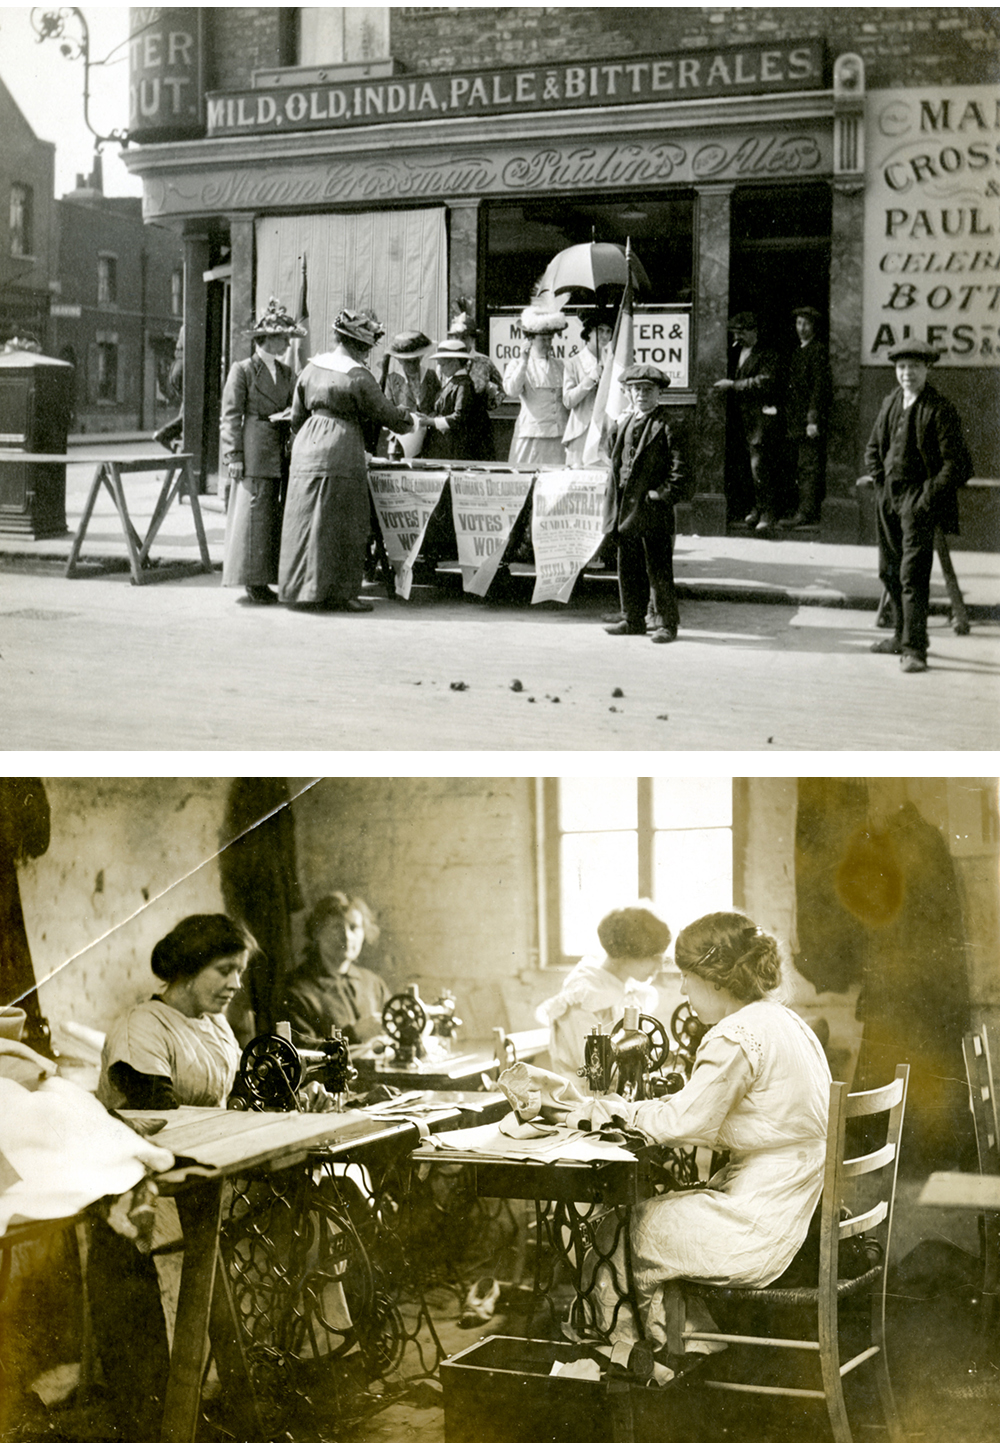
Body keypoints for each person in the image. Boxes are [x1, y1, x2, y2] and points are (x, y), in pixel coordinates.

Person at [568, 910, 831, 1351]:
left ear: (717, 979)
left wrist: (616, 1113)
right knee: (653, 1214)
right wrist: (638, 1109)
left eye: (688, 977)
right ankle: (686, 1352)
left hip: (758, 1228)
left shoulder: (735, 1035)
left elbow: (685, 1121)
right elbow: (694, 1108)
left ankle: (638, 1370)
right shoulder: (786, 1022)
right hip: (793, 1209)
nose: (684, 989)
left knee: (611, 1234)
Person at [277, 308, 414, 611]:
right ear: (359, 345)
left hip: (306, 448)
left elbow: (297, 417)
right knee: (345, 521)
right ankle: (341, 594)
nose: (367, 353)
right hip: (341, 448)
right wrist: (411, 420)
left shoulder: (311, 369)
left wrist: (306, 440)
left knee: (305, 520)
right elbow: (386, 414)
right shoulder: (358, 375)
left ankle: (300, 589)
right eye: (366, 347)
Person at [863, 338, 971, 674]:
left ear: (927, 369)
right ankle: (898, 636)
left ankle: (915, 649)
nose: (907, 373)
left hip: (917, 502)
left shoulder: (939, 409)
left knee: (912, 576)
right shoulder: (891, 400)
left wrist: (924, 500)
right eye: (901, 367)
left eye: (914, 367)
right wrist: (881, 484)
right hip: (888, 498)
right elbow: (873, 448)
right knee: (889, 570)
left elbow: (959, 466)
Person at [97, 913, 251, 1111]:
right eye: (224, 970)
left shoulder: (217, 1024)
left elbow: (243, 1090)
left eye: (240, 972)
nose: (236, 984)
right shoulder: (141, 1026)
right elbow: (160, 1116)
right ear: (188, 970)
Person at [220, 298, 304, 606]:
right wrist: (234, 456)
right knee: (254, 517)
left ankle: (268, 577)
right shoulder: (242, 370)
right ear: (264, 339)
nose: (285, 343)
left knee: (272, 517)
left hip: (279, 447)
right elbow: (230, 416)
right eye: (281, 338)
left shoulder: (285, 372)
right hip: (255, 449)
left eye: (286, 338)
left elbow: (298, 402)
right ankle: (253, 581)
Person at [603, 364, 690, 644]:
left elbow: (682, 472)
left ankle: (666, 623)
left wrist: (661, 495)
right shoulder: (625, 422)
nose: (642, 395)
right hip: (627, 510)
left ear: (659, 394)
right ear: (628, 393)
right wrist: (616, 424)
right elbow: (611, 454)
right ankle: (633, 619)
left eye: (648, 390)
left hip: (653, 510)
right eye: (637, 389)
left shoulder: (669, 425)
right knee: (628, 566)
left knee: (658, 568)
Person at [536, 903, 672, 1081]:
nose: (659, 966)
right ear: (626, 952)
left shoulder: (632, 991)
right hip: (583, 1095)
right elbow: (593, 1067)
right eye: (654, 957)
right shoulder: (583, 994)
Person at [282, 893, 390, 1046]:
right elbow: (298, 1050)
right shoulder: (296, 990)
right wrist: (353, 1034)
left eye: (354, 927)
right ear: (316, 932)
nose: (346, 936)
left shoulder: (373, 983)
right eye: (336, 927)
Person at [713, 312, 783, 532]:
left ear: (755, 332)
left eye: (742, 332)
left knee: (760, 467)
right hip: (740, 420)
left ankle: (768, 513)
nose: (738, 337)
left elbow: (765, 382)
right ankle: (756, 508)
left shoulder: (767, 354)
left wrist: (733, 385)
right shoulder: (735, 352)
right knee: (746, 468)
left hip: (760, 420)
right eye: (735, 333)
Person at [779, 305, 833, 529]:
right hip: (795, 420)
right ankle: (801, 509)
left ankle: (806, 513)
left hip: (807, 422)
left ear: (814, 327)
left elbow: (819, 388)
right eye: (798, 323)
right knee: (800, 467)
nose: (801, 328)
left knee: (808, 467)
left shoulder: (817, 350)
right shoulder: (798, 350)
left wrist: (812, 420)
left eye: (806, 324)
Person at [504, 306, 570, 467]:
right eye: (543, 339)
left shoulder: (560, 366)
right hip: (532, 436)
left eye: (550, 339)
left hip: (557, 436)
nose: (548, 344)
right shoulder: (518, 364)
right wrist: (524, 361)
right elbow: (511, 390)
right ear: (530, 339)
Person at [421, 337, 494, 461]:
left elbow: (460, 417)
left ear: (454, 362)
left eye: (443, 364)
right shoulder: (454, 383)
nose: (441, 368)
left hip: (459, 449)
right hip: (449, 446)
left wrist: (431, 422)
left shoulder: (463, 385)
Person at [562, 311, 613, 468]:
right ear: (588, 333)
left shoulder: (614, 362)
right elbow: (568, 400)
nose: (604, 335)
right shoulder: (573, 363)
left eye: (608, 331)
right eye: (599, 330)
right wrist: (591, 378)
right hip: (581, 432)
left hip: (607, 431)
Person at [380, 329, 440, 459]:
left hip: (429, 440)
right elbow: (388, 409)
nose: (412, 365)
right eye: (408, 361)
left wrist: (429, 419)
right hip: (400, 441)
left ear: (420, 357)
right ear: (400, 361)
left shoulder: (431, 376)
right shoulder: (392, 380)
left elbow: (439, 405)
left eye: (415, 361)